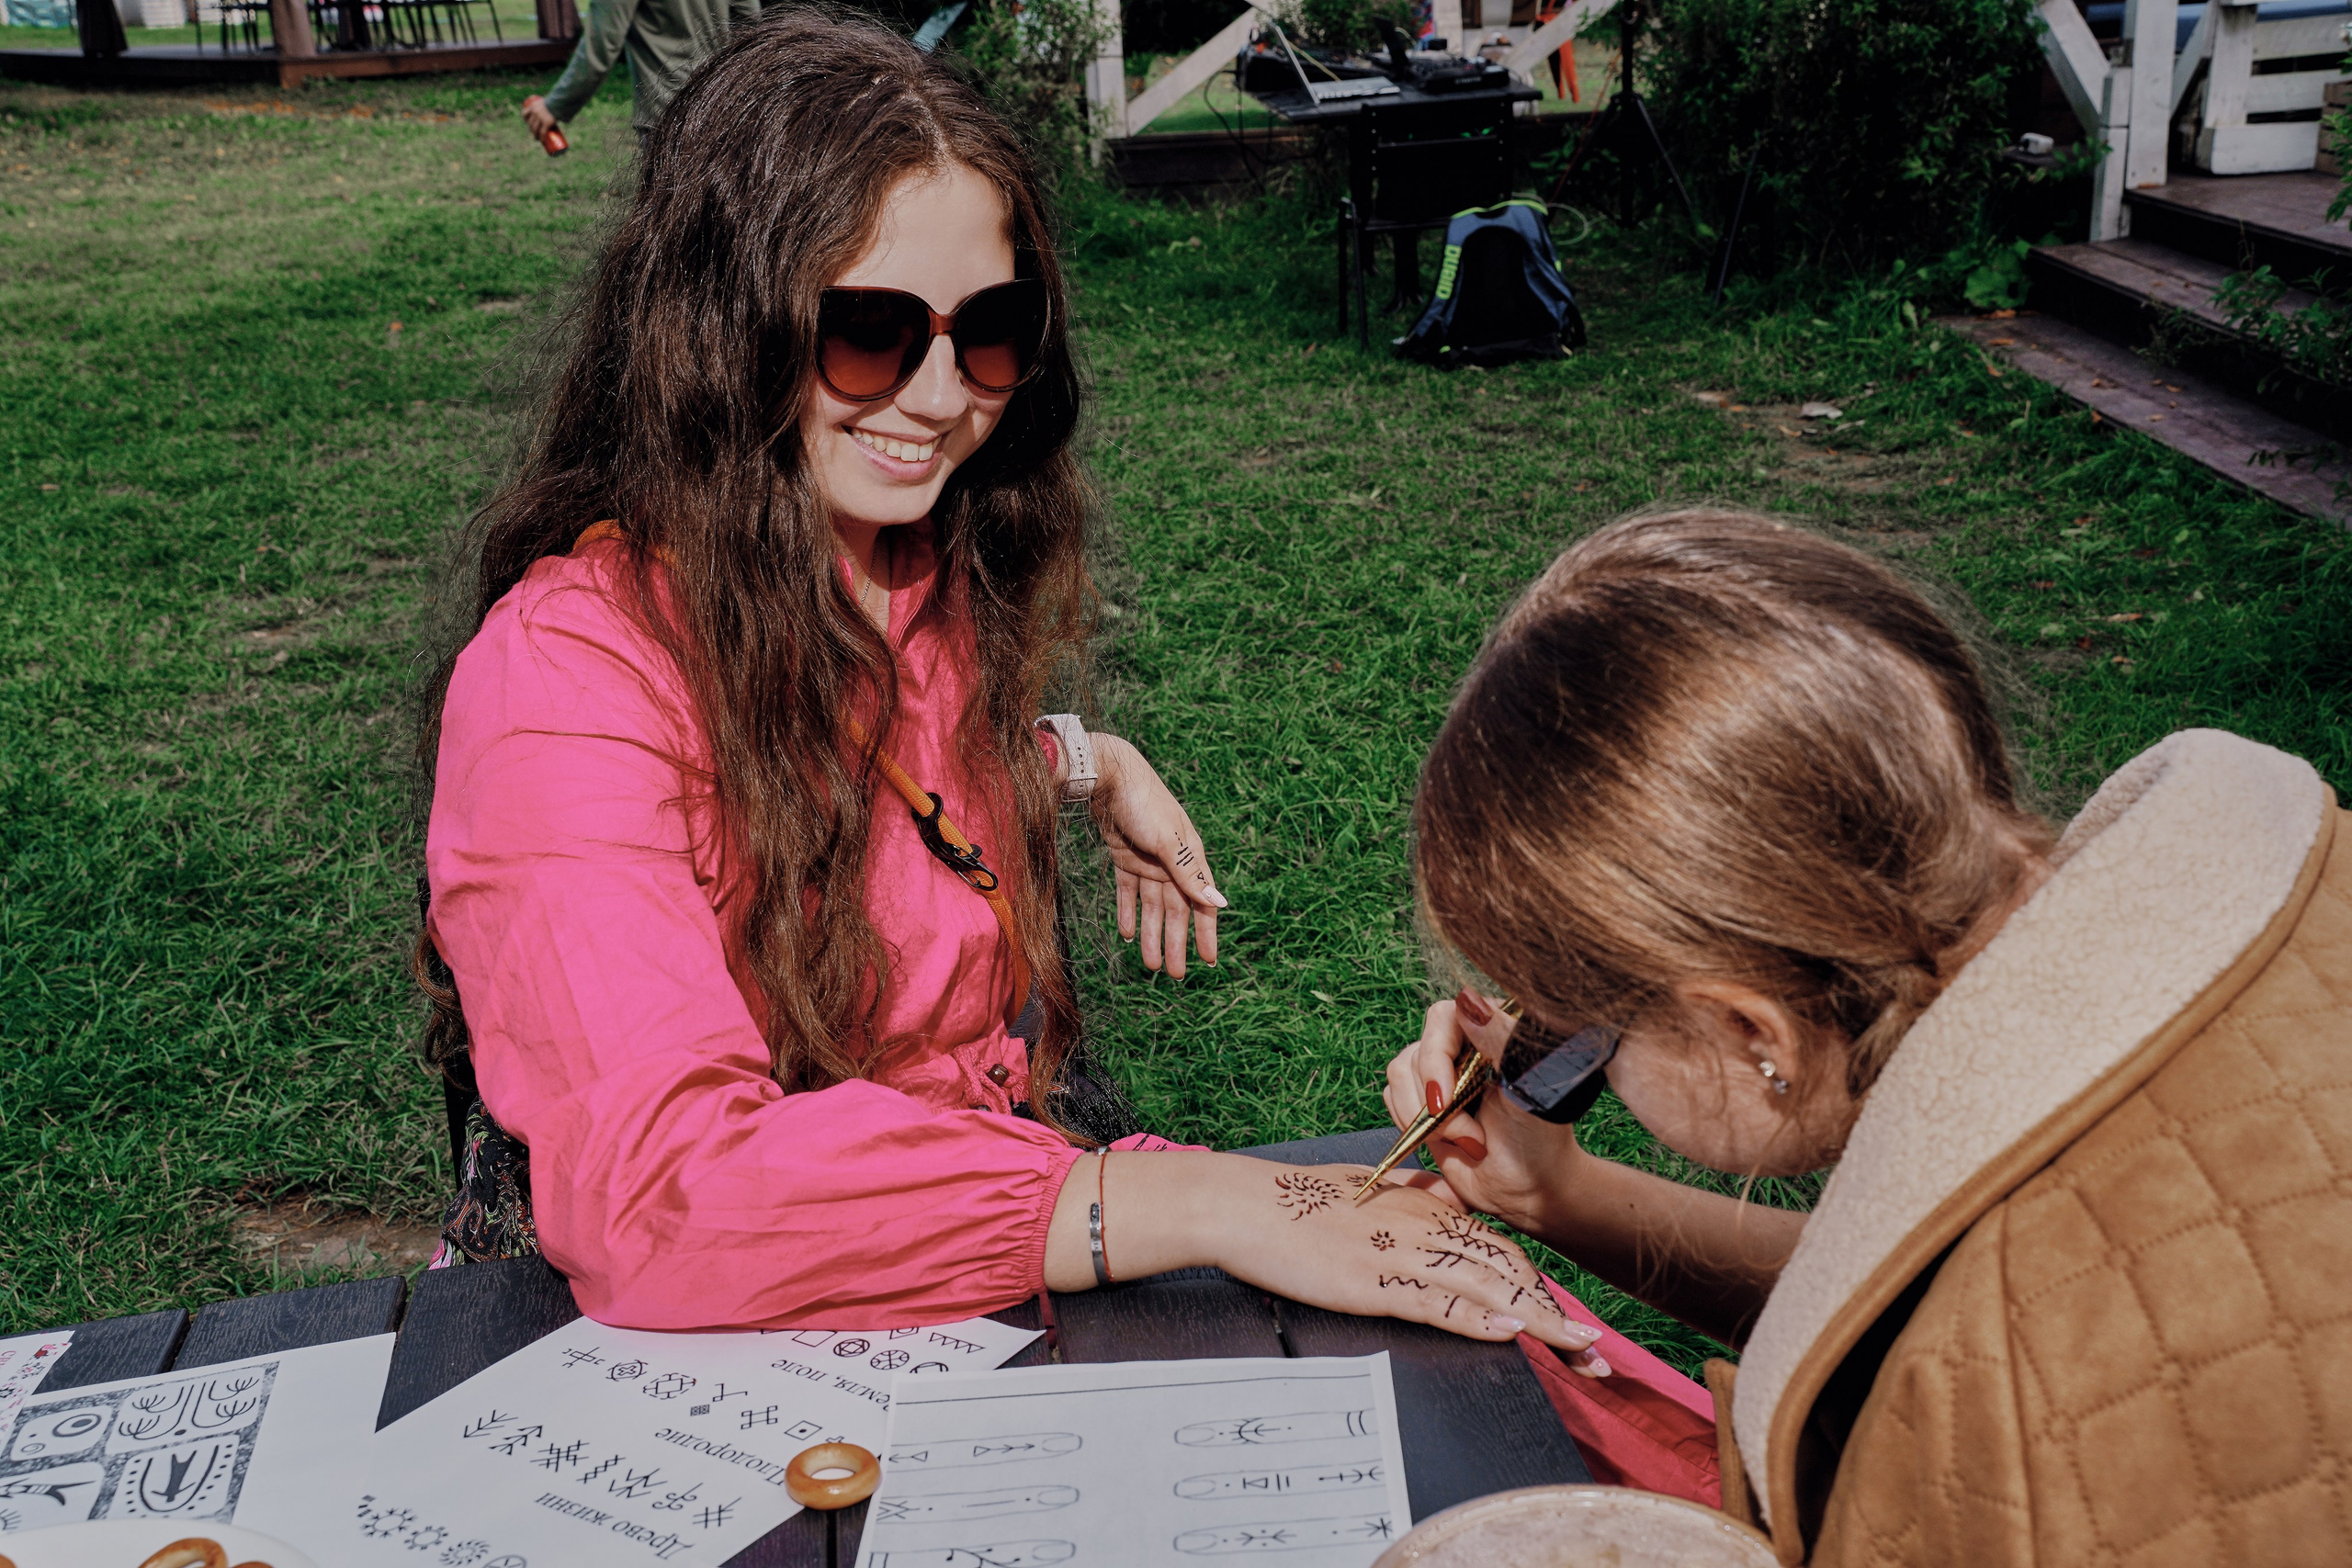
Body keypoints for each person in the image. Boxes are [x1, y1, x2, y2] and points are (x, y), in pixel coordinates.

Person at [418, 11, 1602, 1372]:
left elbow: (862, 786)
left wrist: (1091, 762)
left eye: (990, 332)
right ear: (720, 320)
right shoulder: (564, 673)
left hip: (959, 1267)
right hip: (684, 1355)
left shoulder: (911, 567)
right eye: (867, 332)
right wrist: (1208, 1197)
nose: (936, 396)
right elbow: (664, 1188)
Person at [1390, 505, 2352, 1566]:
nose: (1569, 1064)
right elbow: (1913, 1286)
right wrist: (1555, 1197)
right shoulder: (2286, 902)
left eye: (1595, 1043)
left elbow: (1972, 1360)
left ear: (1756, 1031)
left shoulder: (2020, 1430)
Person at [519, 0, 753, 149]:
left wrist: (555, 106)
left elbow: (601, 44)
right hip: (724, 108)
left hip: (667, 115)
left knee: (672, 222)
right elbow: (751, 19)